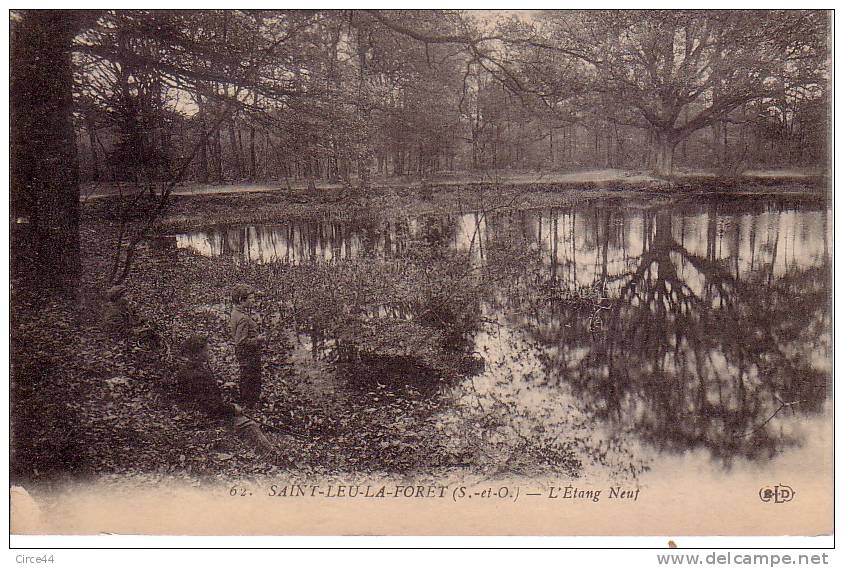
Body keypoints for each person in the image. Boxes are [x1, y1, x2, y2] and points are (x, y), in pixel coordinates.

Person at [175, 334, 275, 455]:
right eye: (206, 350)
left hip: (197, 413)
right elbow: (211, 407)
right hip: (205, 419)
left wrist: (220, 387)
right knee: (249, 425)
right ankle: (272, 456)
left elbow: (202, 395)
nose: (209, 352)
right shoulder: (197, 375)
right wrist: (233, 408)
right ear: (197, 354)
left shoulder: (189, 369)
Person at [228, 283, 266, 409]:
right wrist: (258, 339)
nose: (254, 300)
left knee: (246, 376)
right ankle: (249, 404)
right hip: (248, 353)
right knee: (251, 377)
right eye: (251, 298)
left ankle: (247, 401)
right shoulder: (243, 318)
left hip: (243, 353)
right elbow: (241, 341)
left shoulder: (235, 313)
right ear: (241, 300)